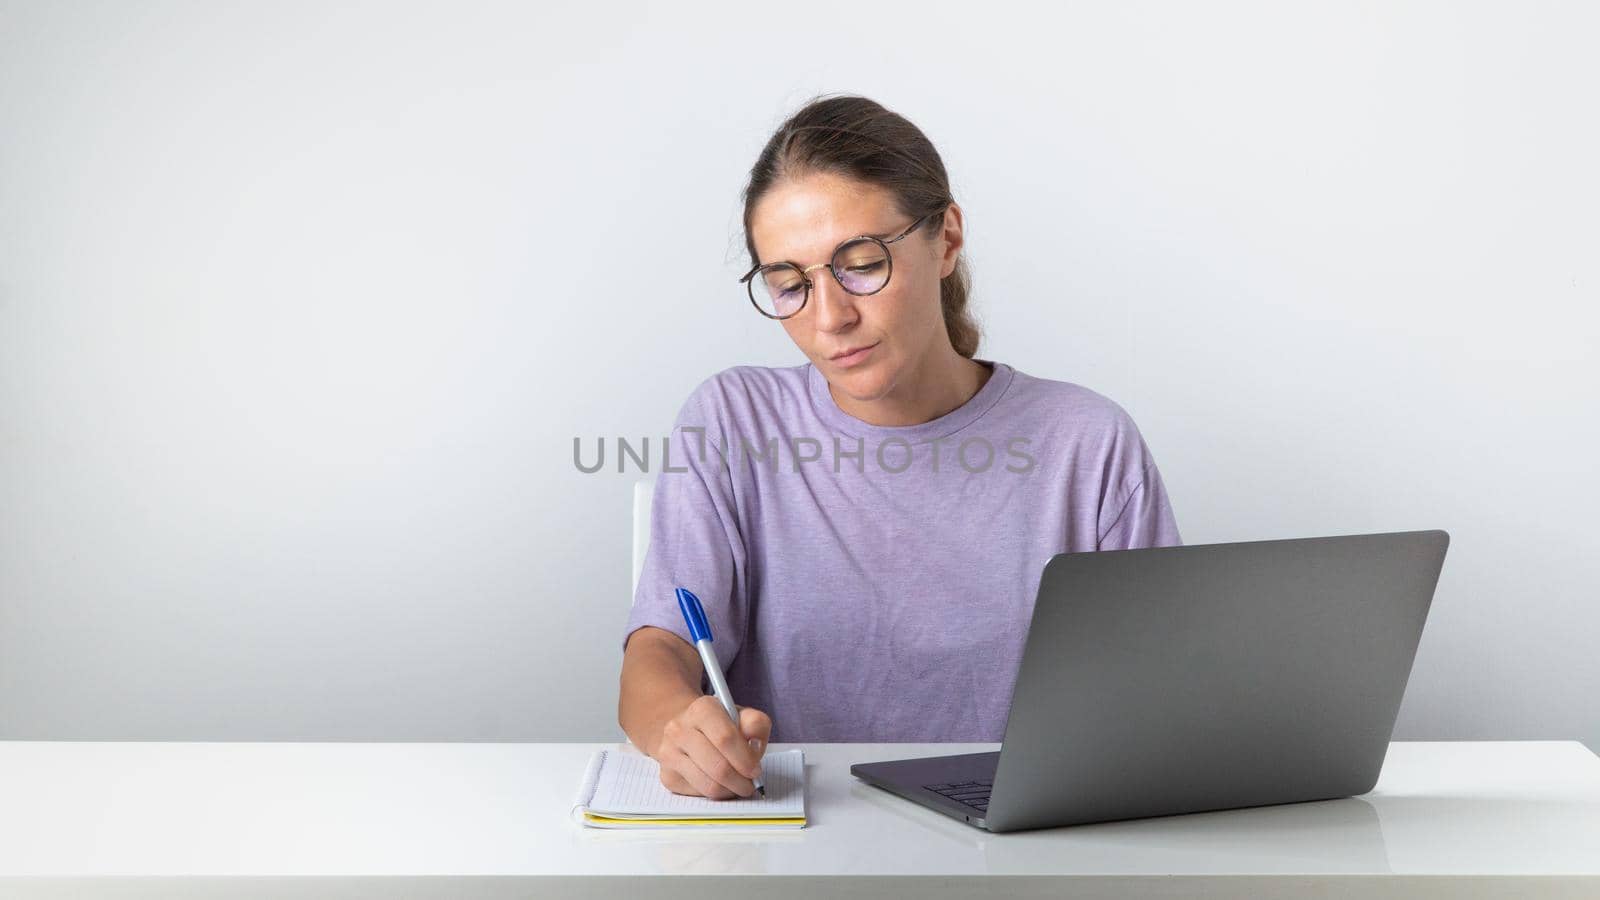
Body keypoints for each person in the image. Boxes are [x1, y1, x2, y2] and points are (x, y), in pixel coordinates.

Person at [617, 94, 1183, 801]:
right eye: (789, 285)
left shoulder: (1086, 445)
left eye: (860, 263)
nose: (830, 318)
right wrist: (680, 726)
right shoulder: (734, 421)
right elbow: (660, 649)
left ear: (946, 239)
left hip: (1019, 847)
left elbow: (1156, 697)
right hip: (797, 838)